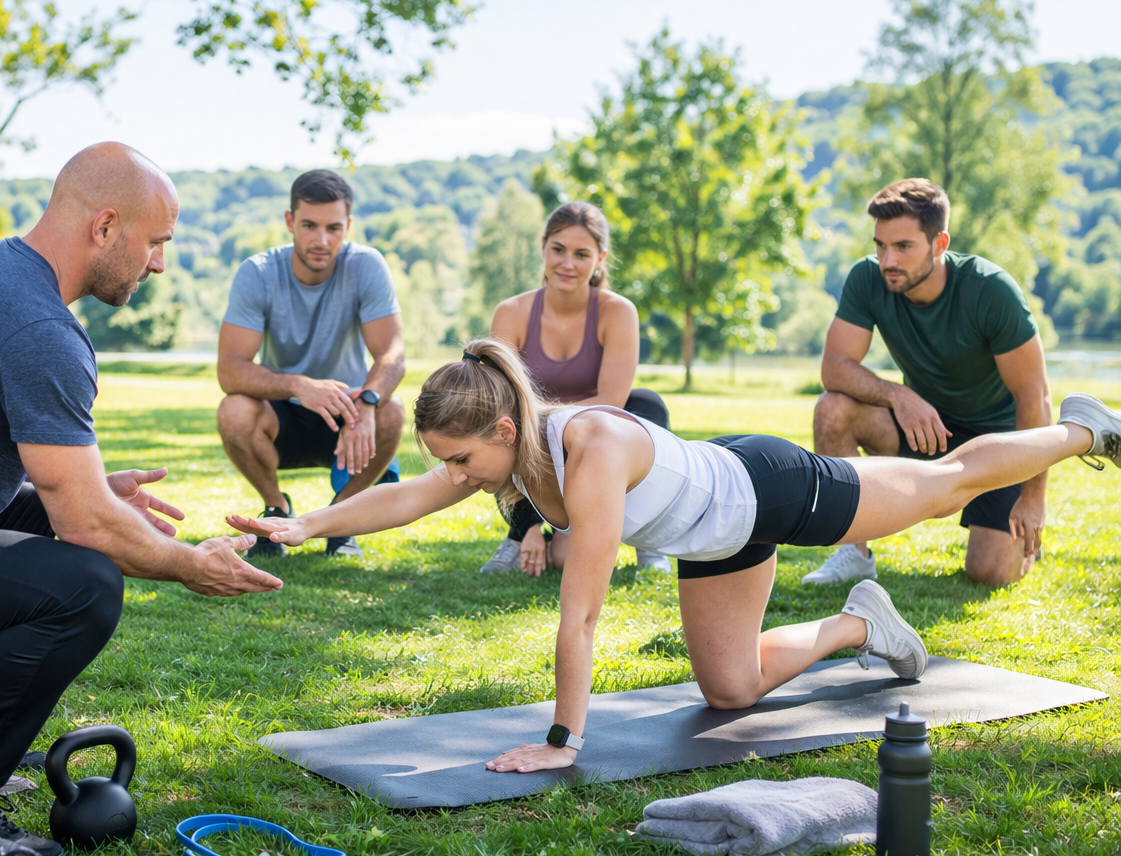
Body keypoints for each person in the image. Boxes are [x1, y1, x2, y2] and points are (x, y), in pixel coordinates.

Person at [226, 338, 1118, 775]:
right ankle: (857, 623)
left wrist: (561, 741)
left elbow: (581, 614)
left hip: (768, 487)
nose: (454, 476)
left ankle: (1082, 427)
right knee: (729, 692)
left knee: (950, 480)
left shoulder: (594, 452)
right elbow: (408, 497)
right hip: (715, 533)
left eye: (462, 459)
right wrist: (304, 526)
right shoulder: (510, 450)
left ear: (502, 430)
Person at [0, 143, 282, 856]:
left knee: (60, 536)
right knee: (84, 585)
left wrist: (81, 489)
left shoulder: (9, 277)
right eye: (155, 242)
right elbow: (87, 526)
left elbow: (72, 500)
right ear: (104, 227)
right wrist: (190, 562)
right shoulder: (41, 329)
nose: (159, 262)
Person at [805, 178, 1052, 587]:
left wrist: (1033, 499)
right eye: (880, 245)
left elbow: (1035, 397)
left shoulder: (991, 290)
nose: (887, 261)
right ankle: (853, 551)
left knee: (990, 573)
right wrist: (898, 394)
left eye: (904, 247)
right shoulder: (868, 279)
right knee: (833, 410)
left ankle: (1022, 541)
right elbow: (835, 368)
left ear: (939, 244)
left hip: (997, 440)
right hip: (925, 425)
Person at [216, 170, 406, 559]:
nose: (321, 240)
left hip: (349, 412)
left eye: (334, 228)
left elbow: (393, 355)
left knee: (393, 412)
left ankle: (340, 521)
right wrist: (300, 385)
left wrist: (368, 403)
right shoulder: (258, 272)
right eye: (309, 226)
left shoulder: (366, 265)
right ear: (290, 222)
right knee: (233, 410)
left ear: (348, 226)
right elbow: (230, 370)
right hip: (283, 412)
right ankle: (276, 508)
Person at [483, 201, 671, 576]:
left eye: (581, 254)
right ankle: (519, 534)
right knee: (499, 422)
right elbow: (501, 401)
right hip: (529, 439)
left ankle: (650, 541)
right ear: (543, 247)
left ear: (600, 258)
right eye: (558, 250)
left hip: (594, 435)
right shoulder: (513, 312)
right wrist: (531, 527)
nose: (567, 264)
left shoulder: (618, 312)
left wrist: (545, 418)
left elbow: (612, 401)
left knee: (648, 407)